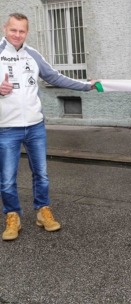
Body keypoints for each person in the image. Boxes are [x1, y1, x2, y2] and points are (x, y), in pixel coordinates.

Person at [0, 13, 94, 241]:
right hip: (6, 128)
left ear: (27, 32)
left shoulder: (32, 55)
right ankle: (12, 216)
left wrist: (85, 86)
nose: (17, 35)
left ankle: (43, 211)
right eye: (13, 30)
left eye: (22, 31)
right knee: (7, 178)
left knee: (41, 174)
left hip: (35, 127)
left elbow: (54, 76)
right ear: (5, 28)